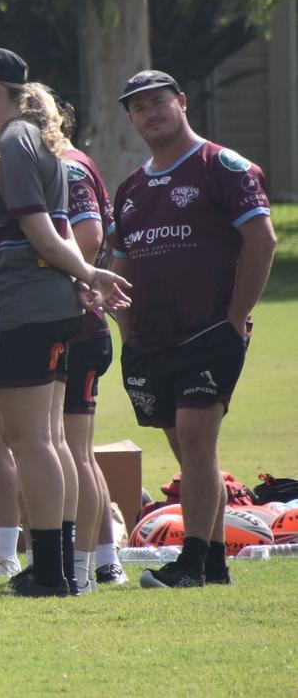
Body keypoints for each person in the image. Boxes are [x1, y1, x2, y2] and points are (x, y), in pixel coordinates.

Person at [0, 47, 129, 598]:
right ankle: (56, 566)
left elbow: (38, 228)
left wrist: (87, 271)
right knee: (51, 439)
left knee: (30, 440)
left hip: (22, 303)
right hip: (47, 302)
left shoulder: (13, 140)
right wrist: (82, 275)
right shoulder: (35, 139)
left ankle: (54, 572)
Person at [107, 70, 275, 589]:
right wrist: (124, 321)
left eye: (159, 102)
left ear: (181, 102)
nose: (151, 113)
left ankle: (192, 564)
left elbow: (262, 241)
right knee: (188, 448)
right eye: (139, 107)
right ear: (131, 119)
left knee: (199, 439)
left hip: (208, 332)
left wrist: (234, 315)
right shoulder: (132, 188)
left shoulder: (222, 166)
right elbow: (121, 262)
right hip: (151, 339)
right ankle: (217, 562)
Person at [51, 93, 123, 587]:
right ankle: (104, 559)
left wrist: (69, 277)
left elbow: (91, 236)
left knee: (70, 451)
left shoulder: (69, 166)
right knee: (77, 452)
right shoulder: (71, 165)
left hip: (76, 327)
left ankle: (81, 566)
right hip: (79, 325)